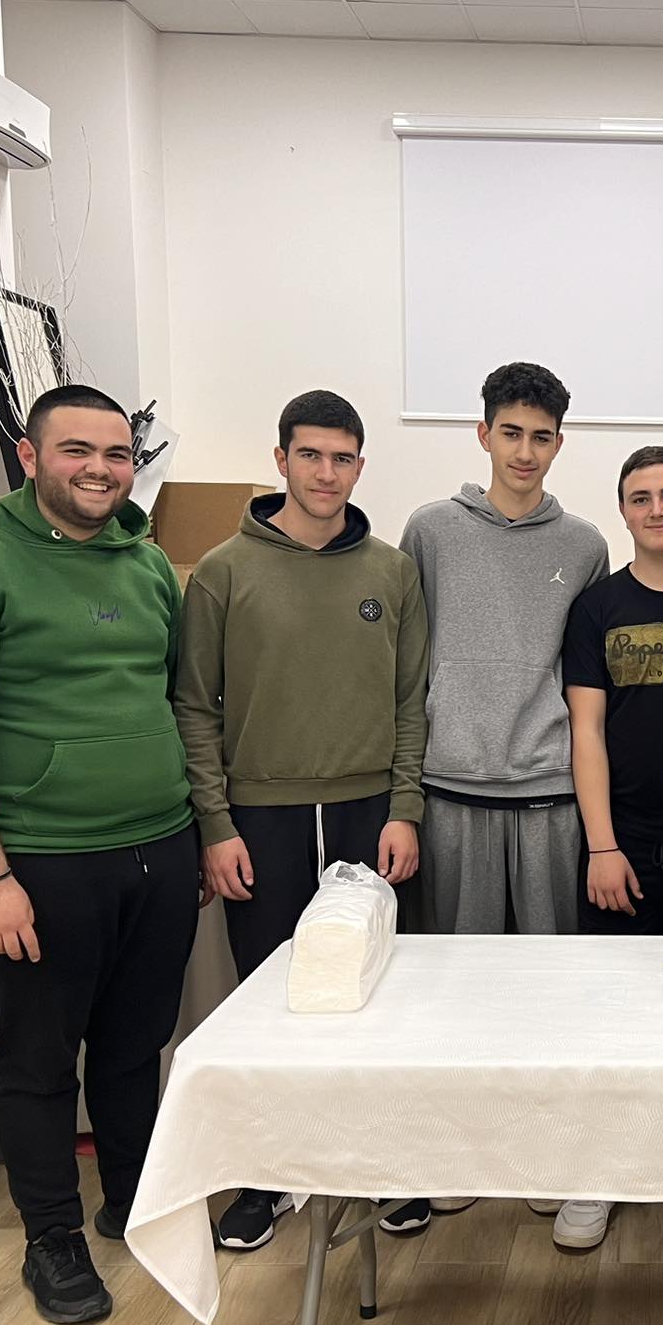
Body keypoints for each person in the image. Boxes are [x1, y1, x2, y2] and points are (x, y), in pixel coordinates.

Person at [0, 383, 201, 1325]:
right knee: (37, 1060)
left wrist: (193, 834)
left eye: (117, 455)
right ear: (30, 457)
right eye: (77, 451)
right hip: (41, 864)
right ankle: (52, 1239)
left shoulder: (148, 568)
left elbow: (167, 699)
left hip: (159, 849)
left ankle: (131, 1200)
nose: (100, 470)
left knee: (134, 1046)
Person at [174, 389, 430, 1251]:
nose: (327, 473)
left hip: (370, 813)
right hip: (260, 817)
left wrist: (404, 809)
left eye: (343, 458)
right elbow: (194, 706)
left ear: (360, 466)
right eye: (311, 455)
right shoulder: (223, 571)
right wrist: (216, 825)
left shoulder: (392, 572)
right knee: (268, 1000)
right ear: (280, 459)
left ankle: (380, 1165)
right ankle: (268, 1176)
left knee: (376, 993)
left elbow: (410, 703)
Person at [548, 446, 663, 1251]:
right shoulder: (596, 608)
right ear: (623, 512)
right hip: (628, 845)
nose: (658, 509)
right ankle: (600, 1170)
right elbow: (586, 731)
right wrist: (602, 846)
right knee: (612, 1015)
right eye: (641, 498)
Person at [399, 361, 608, 936]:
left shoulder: (585, 545)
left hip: (550, 793)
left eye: (541, 437)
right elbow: (407, 668)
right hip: (449, 788)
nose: (525, 452)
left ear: (559, 444)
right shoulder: (430, 531)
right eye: (511, 433)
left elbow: (586, 678)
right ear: (484, 434)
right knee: (452, 970)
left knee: (550, 970)